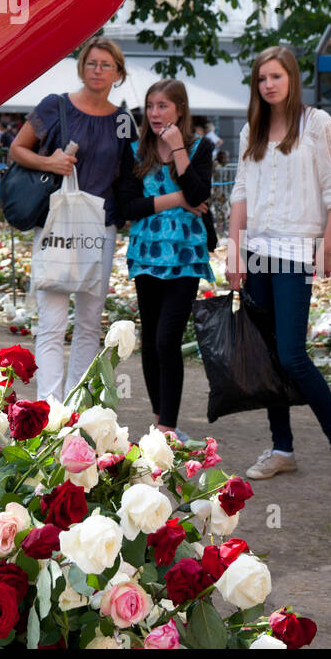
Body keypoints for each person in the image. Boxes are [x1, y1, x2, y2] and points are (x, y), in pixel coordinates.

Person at [227, 46, 331, 485]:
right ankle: (282, 447)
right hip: (255, 254)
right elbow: (239, 195)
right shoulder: (253, 128)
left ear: (291, 78)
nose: (268, 84)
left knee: (291, 353)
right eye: (261, 78)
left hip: (293, 255)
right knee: (271, 356)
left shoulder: (317, 124)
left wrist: (326, 248)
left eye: (276, 76)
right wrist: (234, 254)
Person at [9, 36, 135, 401]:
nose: (98, 70)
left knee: (89, 322)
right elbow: (18, 148)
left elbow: (129, 172)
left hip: (101, 226)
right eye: (92, 63)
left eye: (106, 65)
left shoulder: (123, 120)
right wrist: (50, 162)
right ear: (81, 67)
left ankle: (75, 407)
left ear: (118, 73)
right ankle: (49, 408)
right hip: (57, 222)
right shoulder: (55, 107)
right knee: (51, 322)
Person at [116, 80, 213, 439]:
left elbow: (201, 193)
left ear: (180, 111)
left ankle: (168, 426)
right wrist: (178, 201)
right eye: (151, 106)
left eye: (163, 106)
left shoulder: (200, 148)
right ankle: (160, 418)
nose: (155, 114)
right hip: (146, 254)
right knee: (151, 338)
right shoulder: (134, 151)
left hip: (186, 255)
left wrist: (179, 150)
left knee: (167, 339)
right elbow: (129, 206)